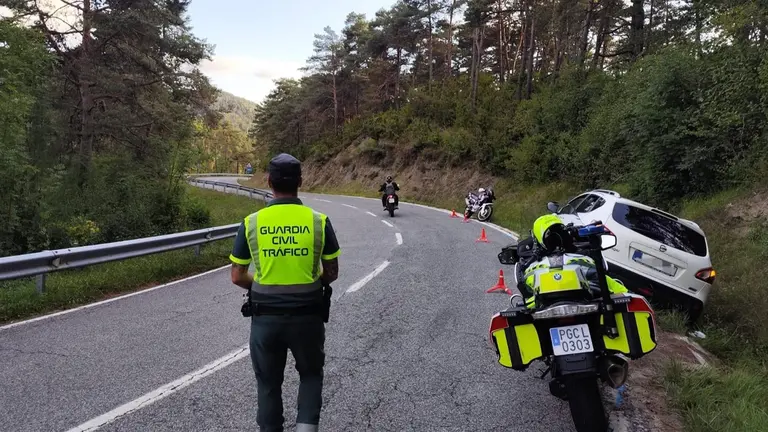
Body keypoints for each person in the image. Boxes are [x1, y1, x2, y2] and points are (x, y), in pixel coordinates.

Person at [229, 153, 341, 432]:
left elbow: (237, 276)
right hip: (308, 315)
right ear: (301, 182)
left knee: (268, 383)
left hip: (265, 317)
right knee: (311, 374)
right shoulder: (319, 220)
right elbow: (332, 273)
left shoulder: (252, 222)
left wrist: (266, 283)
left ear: (268, 181)